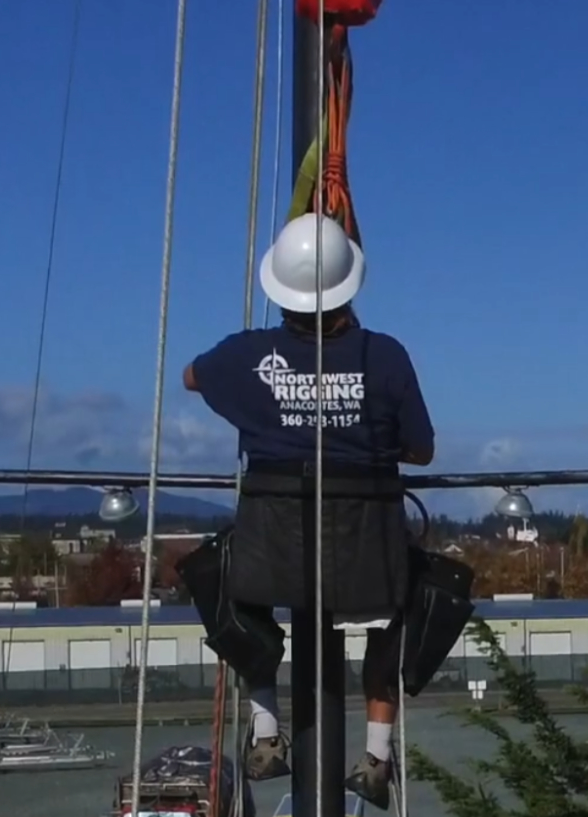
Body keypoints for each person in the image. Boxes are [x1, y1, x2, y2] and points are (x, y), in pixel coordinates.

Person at [183, 212, 434, 808]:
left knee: (229, 590)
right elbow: (422, 450)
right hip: (367, 561)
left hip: (273, 557)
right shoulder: (386, 355)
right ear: (350, 285)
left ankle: (266, 729)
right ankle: (377, 751)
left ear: (280, 288)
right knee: (405, 603)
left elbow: (192, 376)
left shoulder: (247, 355)